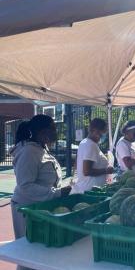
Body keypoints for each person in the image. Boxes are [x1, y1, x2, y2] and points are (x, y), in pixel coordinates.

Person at [10, 115, 71, 270]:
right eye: (53, 129)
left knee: (39, 252)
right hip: (26, 209)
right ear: (42, 131)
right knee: (28, 255)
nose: (56, 132)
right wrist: (56, 193)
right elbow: (25, 186)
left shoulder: (41, 148)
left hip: (39, 208)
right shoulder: (29, 152)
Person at [71, 118, 113, 194]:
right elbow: (87, 171)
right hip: (90, 191)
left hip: (85, 188)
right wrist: (106, 170)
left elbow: (76, 164)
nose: (104, 135)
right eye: (104, 132)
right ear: (95, 130)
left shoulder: (84, 142)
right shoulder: (91, 145)